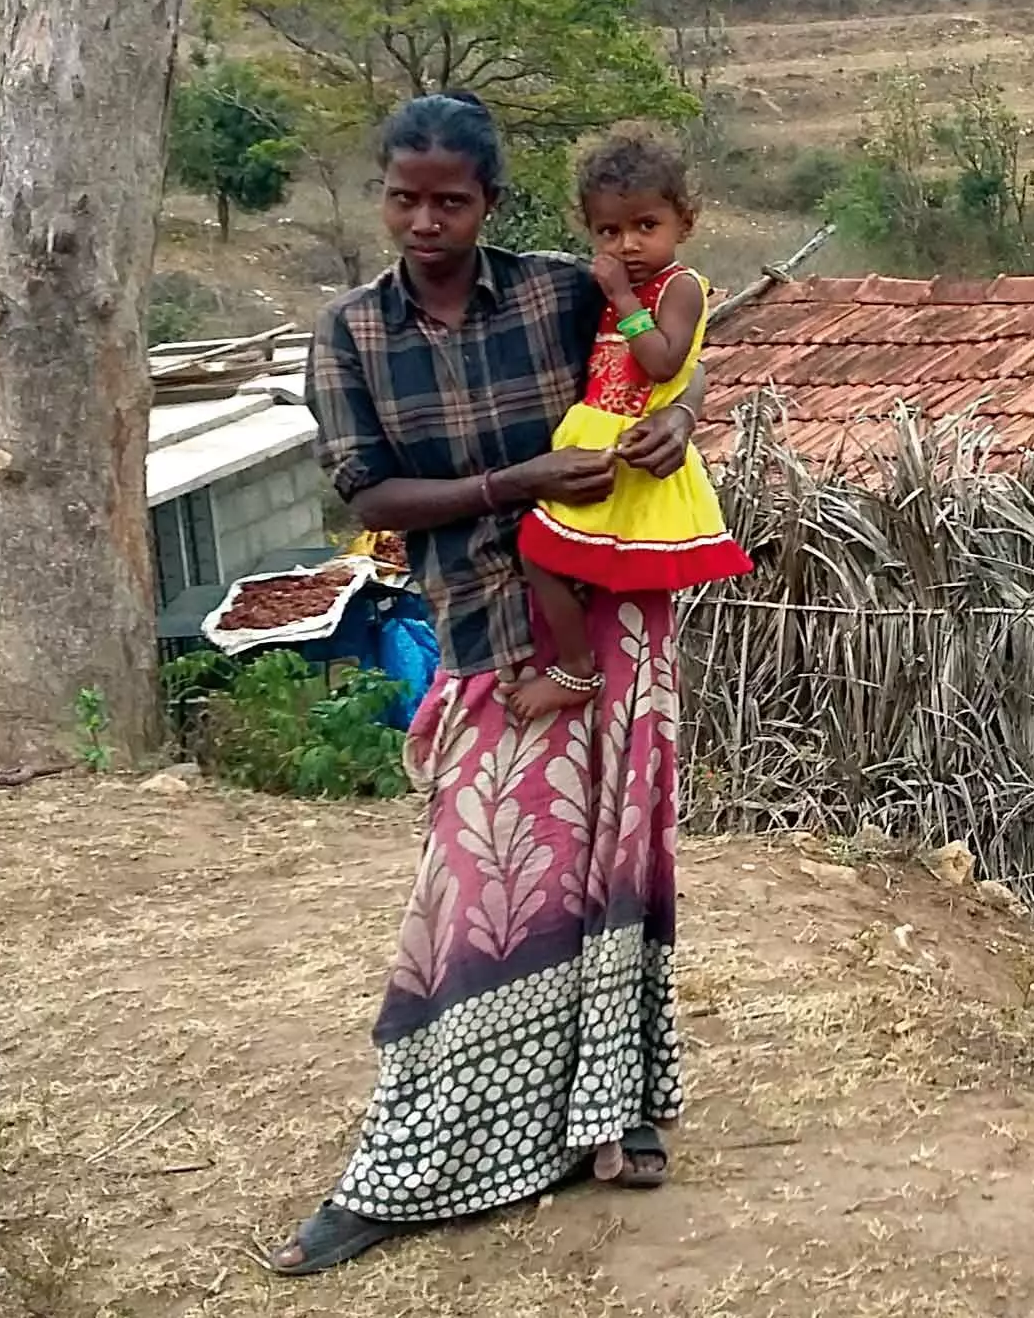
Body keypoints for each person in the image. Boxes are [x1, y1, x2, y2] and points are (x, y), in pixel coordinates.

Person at [276, 91, 707, 1276]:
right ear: (383, 195)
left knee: (614, 863)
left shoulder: (562, 291)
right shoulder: (351, 335)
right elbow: (370, 499)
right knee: (475, 894)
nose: (425, 220)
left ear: (491, 203)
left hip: (611, 611)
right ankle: (405, 1165)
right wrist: (514, 482)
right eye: (404, 197)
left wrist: (683, 423)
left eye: (450, 200)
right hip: (481, 635)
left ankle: (611, 1117)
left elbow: (663, 363)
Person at [511, 127, 753, 721]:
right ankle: (582, 663)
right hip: (592, 437)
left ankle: (576, 669)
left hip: (631, 447)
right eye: (609, 232)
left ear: (684, 222)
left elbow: (667, 361)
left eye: (647, 226)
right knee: (561, 557)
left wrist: (622, 299)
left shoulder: (680, 289)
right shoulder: (609, 286)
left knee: (539, 551)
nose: (628, 244)